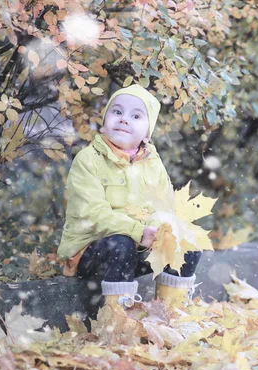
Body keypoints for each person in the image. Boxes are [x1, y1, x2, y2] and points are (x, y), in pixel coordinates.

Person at [57, 84, 201, 313]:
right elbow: (92, 214)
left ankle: (170, 315)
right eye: (117, 112)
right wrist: (137, 231)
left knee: (186, 244)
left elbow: (164, 208)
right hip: (93, 250)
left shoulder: (153, 163)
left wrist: (159, 231)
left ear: (147, 132)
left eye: (135, 116)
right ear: (104, 122)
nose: (124, 119)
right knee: (121, 244)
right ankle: (116, 320)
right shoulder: (88, 160)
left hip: (139, 247)